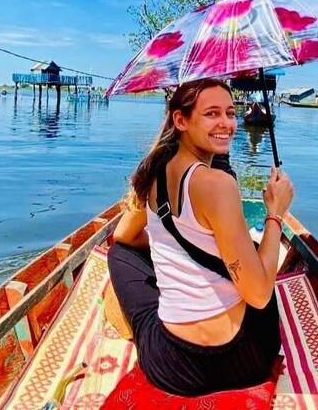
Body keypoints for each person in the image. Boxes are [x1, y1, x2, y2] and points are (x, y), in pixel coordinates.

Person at [109, 78, 294, 396]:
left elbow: (123, 236)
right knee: (250, 250)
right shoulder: (219, 184)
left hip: (171, 367)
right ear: (180, 120)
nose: (227, 123)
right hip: (245, 361)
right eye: (212, 114)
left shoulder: (154, 172)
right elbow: (260, 296)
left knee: (118, 254)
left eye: (230, 112)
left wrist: (168, 247)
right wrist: (275, 213)